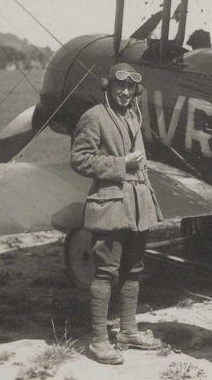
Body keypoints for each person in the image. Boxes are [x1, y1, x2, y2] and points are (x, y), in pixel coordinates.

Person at [71, 62, 163, 365]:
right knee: (105, 272)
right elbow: (80, 160)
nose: (124, 92)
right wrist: (121, 164)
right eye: (119, 86)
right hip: (110, 205)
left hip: (137, 206)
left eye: (130, 88)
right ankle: (98, 341)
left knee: (133, 269)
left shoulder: (133, 114)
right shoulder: (94, 117)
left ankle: (128, 330)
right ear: (107, 87)